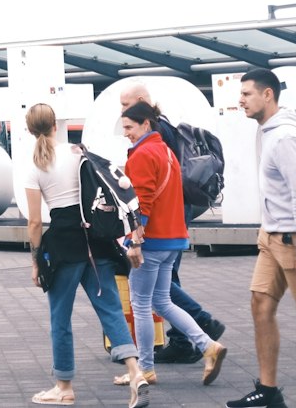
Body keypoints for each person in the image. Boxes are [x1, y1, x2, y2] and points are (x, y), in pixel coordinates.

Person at [24, 102, 151, 408]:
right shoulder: (78, 152)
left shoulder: (34, 166)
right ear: (56, 125)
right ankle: (135, 372)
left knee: (61, 317)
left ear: (30, 130)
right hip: (94, 242)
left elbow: (35, 222)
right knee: (109, 308)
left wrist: (36, 260)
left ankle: (64, 387)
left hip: (62, 244)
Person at [224, 68, 296, 408]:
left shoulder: (285, 138)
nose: (240, 100)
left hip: (293, 241)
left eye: (246, 94)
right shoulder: (266, 131)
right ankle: (268, 392)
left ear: (268, 95)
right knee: (261, 304)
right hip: (271, 238)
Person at [120, 100, 227, 387]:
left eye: (129, 127)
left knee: (141, 304)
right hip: (173, 237)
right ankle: (207, 346)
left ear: (145, 124)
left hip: (152, 240)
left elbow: (141, 202)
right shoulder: (166, 150)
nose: (126, 133)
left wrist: (135, 241)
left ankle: (144, 369)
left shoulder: (142, 155)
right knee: (162, 301)